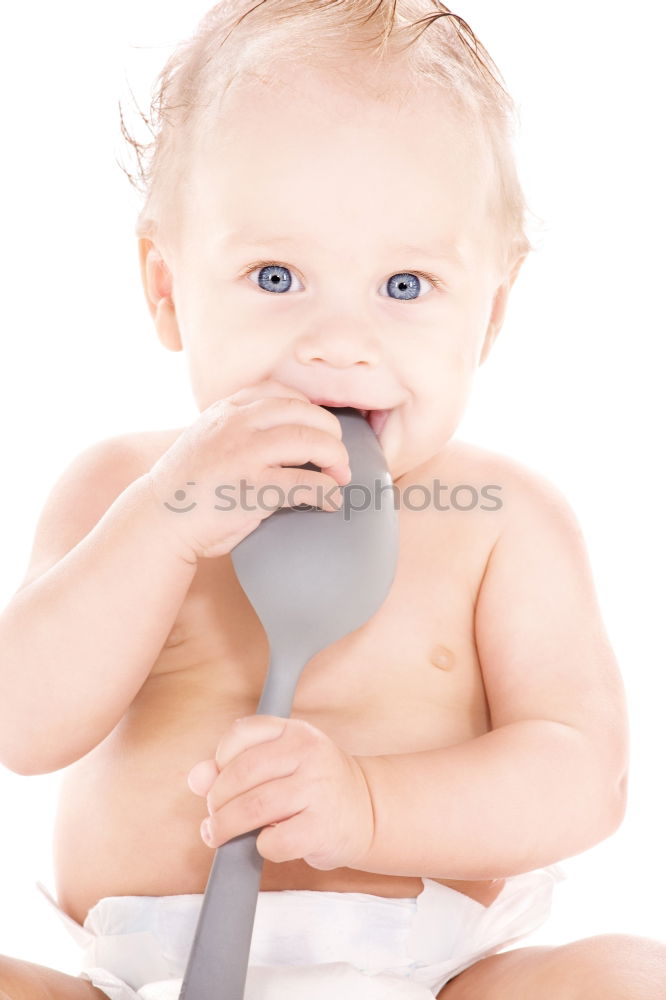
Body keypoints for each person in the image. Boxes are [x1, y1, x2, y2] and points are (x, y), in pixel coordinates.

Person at [1, 2, 664, 998]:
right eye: (277, 276)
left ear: (489, 311)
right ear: (168, 288)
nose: (341, 343)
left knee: (624, 975)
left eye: (405, 284)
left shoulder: (502, 519)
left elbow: (584, 774)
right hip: (144, 975)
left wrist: (368, 805)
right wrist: (162, 524)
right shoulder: (119, 490)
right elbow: (23, 723)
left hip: (437, 973)